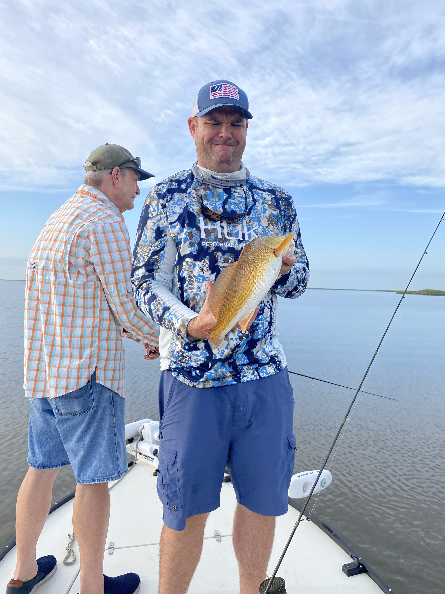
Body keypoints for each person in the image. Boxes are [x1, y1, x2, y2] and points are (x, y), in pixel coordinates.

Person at [131, 80, 309, 594]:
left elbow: (299, 283)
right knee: (185, 508)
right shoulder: (166, 196)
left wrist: (285, 267)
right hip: (191, 378)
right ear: (194, 128)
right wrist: (190, 324)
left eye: (236, 123)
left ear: (247, 130)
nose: (225, 133)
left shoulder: (277, 201)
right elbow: (144, 281)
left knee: (262, 501)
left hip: (264, 376)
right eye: (215, 122)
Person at [7, 144, 159, 594]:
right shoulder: (105, 222)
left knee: (40, 470)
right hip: (88, 379)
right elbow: (128, 307)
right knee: (93, 482)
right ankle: (93, 586)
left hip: (44, 377)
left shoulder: (59, 218)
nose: (137, 189)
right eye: (135, 178)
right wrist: (158, 339)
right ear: (116, 175)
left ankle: (23, 572)